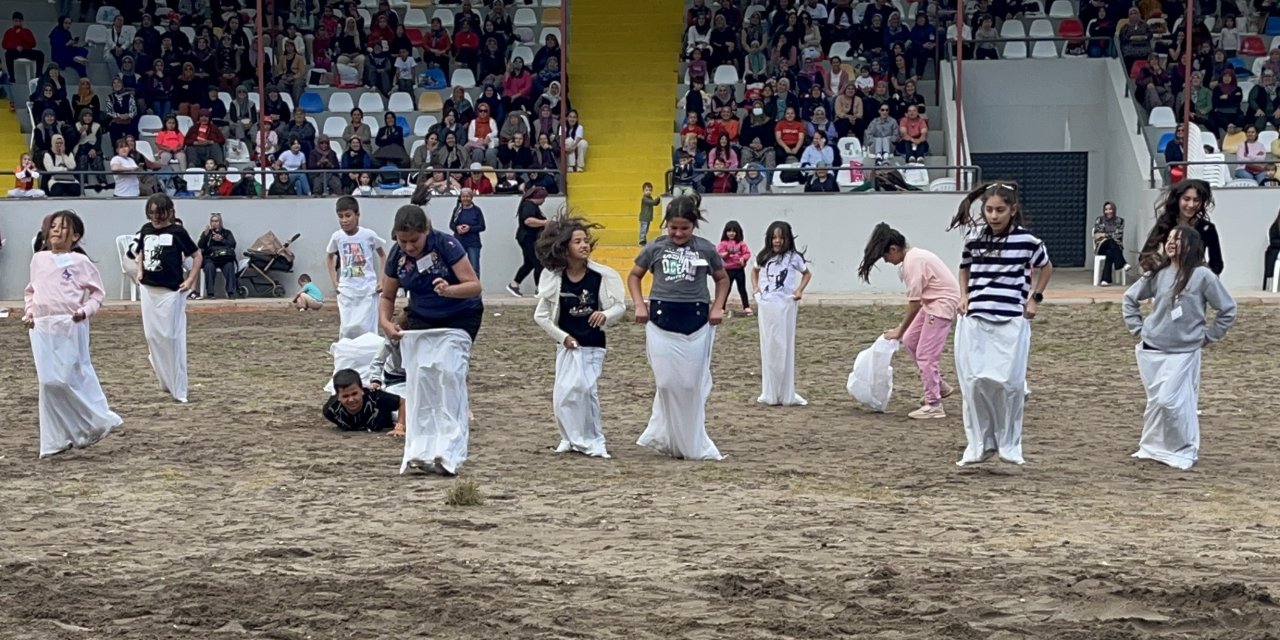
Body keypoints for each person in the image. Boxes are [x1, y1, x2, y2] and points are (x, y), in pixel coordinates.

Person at [947, 182, 1054, 465]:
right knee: (974, 383)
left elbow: (1046, 266)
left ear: (1012, 210)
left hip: (1011, 319)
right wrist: (964, 295)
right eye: (989, 210)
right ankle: (979, 444)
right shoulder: (974, 238)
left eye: (1000, 210)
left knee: (1009, 383)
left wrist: (1035, 298)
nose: (994, 216)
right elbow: (964, 267)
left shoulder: (1028, 242)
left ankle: (1009, 444)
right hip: (976, 318)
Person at [379, 204, 483, 476]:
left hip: (460, 316)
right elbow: (387, 296)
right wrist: (386, 323)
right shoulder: (396, 256)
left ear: (426, 231)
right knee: (421, 379)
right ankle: (421, 450)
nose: (409, 247)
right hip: (422, 318)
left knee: (448, 374)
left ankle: (450, 451)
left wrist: (449, 290)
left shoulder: (446, 244)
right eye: (403, 241)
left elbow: (473, 285)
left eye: (414, 240)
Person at [1123, 224, 1236, 470]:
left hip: (1184, 352)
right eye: (1171, 238)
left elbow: (1227, 309)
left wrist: (1209, 336)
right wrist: (1138, 329)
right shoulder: (1157, 273)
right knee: (1156, 402)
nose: (1172, 242)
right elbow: (1130, 299)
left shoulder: (1202, 276)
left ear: (1192, 245)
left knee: (1171, 401)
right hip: (1152, 348)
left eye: (1179, 239)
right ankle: (1152, 447)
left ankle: (1183, 448)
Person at [628, 195, 730, 461]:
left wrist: (717, 306)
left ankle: (690, 439)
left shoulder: (705, 249)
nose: (678, 233)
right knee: (665, 383)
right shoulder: (655, 248)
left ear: (693, 225)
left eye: (684, 228)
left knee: (689, 384)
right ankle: (668, 435)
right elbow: (634, 276)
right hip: (661, 322)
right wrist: (639, 304)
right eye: (673, 227)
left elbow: (722, 279)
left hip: (695, 322)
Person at [23, 211, 122, 458]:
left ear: (75, 235)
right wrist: (30, 312)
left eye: (63, 227)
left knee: (68, 377)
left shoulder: (80, 262)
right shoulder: (38, 259)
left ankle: (96, 420)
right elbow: (31, 291)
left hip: (70, 324)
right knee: (48, 383)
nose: (56, 231)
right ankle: (54, 439)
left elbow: (98, 294)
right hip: (42, 327)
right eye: (53, 226)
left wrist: (84, 311)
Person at [533, 216, 627, 458]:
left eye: (586, 240)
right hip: (567, 346)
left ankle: (595, 441)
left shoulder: (601, 277)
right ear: (565, 247)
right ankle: (569, 437)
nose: (584, 245)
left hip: (593, 344)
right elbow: (541, 316)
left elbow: (619, 307)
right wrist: (562, 337)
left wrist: (605, 315)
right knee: (563, 394)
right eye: (577, 241)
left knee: (586, 391)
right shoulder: (555, 278)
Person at [858, 223, 961, 420]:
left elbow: (914, 304)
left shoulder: (913, 262)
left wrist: (898, 330)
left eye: (886, 256)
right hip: (931, 303)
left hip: (941, 305)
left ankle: (934, 403)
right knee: (911, 340)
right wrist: (902, 331)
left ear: (894, 249)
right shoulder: (913, 258)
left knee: (925, 354)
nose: (887, 261)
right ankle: (939, 386)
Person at [132, 193, 201, 403]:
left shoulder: (177, 232)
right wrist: (139, 269)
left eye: (159, 213)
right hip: (149, 290)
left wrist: (190, 281)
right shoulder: (145, 230)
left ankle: (178, 386)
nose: (155, 217)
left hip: (171, 291)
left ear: (169, 212)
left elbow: (197, 255)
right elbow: (140, 250)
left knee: (171, 338)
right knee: (152, 337)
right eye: (151, 213)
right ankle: (164, 378)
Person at [752, 221, 811, 407]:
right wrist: (756, 289)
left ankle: (787, 392)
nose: (777, 241)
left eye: (780, 237)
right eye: (774, 237)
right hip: (767, 304)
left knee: (784, 345)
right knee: (769, 345)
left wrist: (799, 290)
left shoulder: (793, 257)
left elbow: (807, 274)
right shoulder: (763, 256)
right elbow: (754, 271)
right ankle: (769, 391)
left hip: (785, 304)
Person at [326, 196, 387, 339]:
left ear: (357, 215)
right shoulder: (337, 237)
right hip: (347, 288)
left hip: (367, 288)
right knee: (347, 328)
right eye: (340, 216)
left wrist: (382, 280)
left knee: (368, 328)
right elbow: (329, 257)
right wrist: (335, 281)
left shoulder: (368, 235)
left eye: (348, 215)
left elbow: (383, 256)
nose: (344, 220)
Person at [1138, 179, 1223, 276]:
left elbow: (1217, 264)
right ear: (1178, 199)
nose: (1191, 205)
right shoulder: (1165, 223)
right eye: (1186, 199)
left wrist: (1203, 278)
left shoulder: (1208, 228)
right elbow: (1145, 255)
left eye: (1196, 200)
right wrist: (1159, 273)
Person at [323, 368, 401, 433]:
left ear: (362, 390)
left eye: (354, 394)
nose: (351, 400)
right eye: (345, 396)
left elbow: (402, 402)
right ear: (338, 396)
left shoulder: (377, 398)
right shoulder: (331, 410)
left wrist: (400, 425)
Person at [507, 186, 549, 297]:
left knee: (529, 263)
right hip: (528, 239)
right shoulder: (529, 206)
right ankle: (539, 288)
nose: (544, 201)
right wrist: (545, 222)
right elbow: (528, 221)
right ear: (538, 197)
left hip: (527, 238)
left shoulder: (529, 205)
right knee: (538, 263)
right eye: (543, 198)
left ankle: (514, 284)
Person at [197, 212, 238, 299]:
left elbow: (232, 244)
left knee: (230, 266)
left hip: (224, 258)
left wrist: (222, 239)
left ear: (220, 222)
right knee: (209, 267)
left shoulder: (227, 233)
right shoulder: (207, 233)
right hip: (211, 258)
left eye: (217, 221)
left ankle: (231, 292)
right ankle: (210, 293)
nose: (214, 223)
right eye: (212, 221)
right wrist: (205, 235)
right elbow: (200, 245)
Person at [717, 220, 753, 316]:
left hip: (739, 269)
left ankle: (746, 307)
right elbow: (719, 254)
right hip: (727, 270)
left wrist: (743, 259)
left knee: (742, 288)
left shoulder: (741, 243)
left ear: (738, 232)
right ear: (725, 232)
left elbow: (747, 253)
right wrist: (727, 254)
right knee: (726, 289)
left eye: (734, 231)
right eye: (729, 231)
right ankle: (721, 307)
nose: (731, 233)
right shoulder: (723, 243)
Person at [450, 188, 486, 276]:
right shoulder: (457, 210)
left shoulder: (477, 210)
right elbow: (451, 225)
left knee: (474, 267)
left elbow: (482, 226)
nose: (465, 199)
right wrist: (457, 228)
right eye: (463, 196)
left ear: (471, 197)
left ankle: (475, 288)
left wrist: (470, 228)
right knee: (457, 266)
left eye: (467, 196)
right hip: (459, 242)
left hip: (473, 243)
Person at [1093, 201, 1128, 286]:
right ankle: (1123, 263)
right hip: (1102, 246)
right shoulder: (1099, 220)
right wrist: (1109, 235)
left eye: (1110, 209)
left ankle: (1105, 280)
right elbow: (1097, 235)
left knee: (1110, 251)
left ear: (1114, 210)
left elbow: (1118, 235)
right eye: (1106, 210)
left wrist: (1104, 234)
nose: (1108, 211)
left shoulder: (1120, 221)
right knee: (1110, 242)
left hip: (1115, 247)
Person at [637, 182, 661, 246]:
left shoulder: (650, 197)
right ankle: (641, 240)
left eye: (650, 190)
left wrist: (658, 200)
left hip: (648, 217)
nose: (648, 192)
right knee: (643, 229)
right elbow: (652, 202)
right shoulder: (644, 198)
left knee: (646, 229)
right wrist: (658, 198)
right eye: (647, 190)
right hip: (644, 217)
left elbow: (655, 203)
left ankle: (644, 240)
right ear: (643, 191)